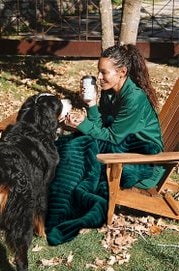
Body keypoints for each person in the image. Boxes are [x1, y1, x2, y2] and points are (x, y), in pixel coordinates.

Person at [45, 44, 164, 246]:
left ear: (122, 72)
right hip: (121, 149)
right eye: (98, 72)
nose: (99, 78)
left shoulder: (134, 98)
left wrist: (83, 125)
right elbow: (101, 126)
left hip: (144, 160)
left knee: (79, 148)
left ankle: (59, 210)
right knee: (72, 143)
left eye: (103, 73)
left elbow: (112, 137)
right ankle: (51, 194)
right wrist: (90, 106)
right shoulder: (110, 93)